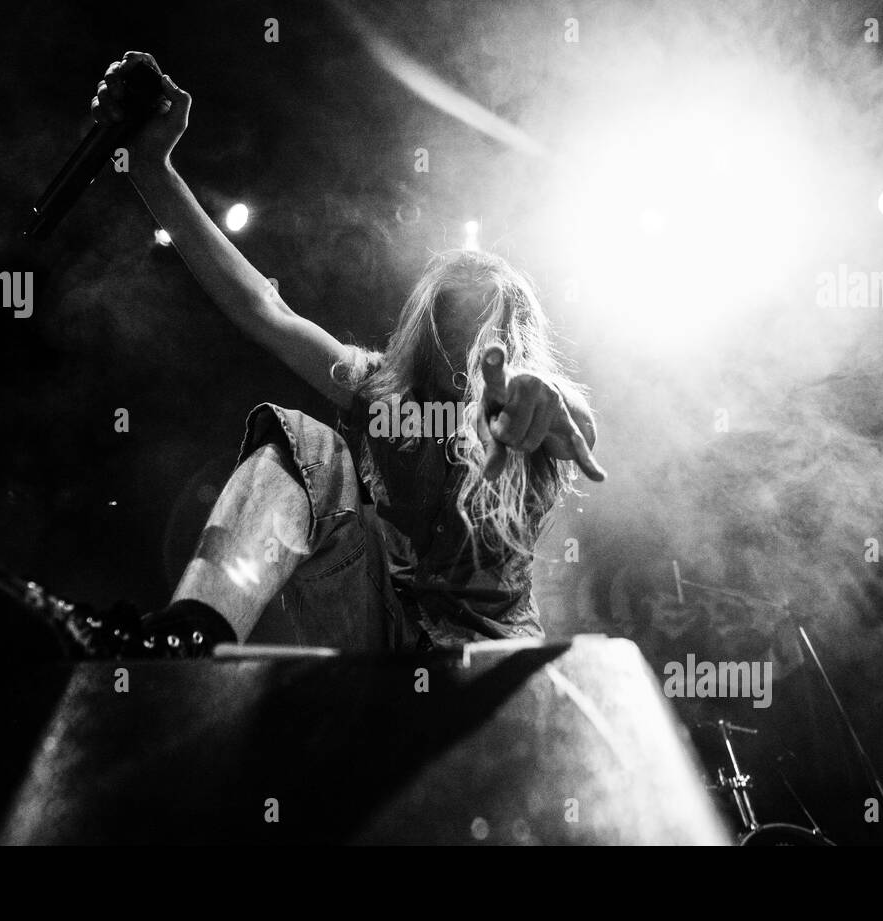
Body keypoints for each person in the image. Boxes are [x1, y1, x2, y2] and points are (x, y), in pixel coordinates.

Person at [91, 52, 608, 654]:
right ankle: (189, 636)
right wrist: (154, 170)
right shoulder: (377, 390)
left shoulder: (530, 415)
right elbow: (266, 309)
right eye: (452, 318)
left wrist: (539, 398)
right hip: (382, 633)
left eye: (483, 326)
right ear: (427, 325)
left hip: (489, 652)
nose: (466, 346)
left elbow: (572, 420)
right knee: (303, 443)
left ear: (512, 340)